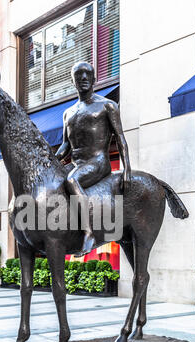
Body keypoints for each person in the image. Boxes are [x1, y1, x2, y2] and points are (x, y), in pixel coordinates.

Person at [56, 61, 131, 256]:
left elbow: (120, 138)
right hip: (76, 164)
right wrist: (52, 160)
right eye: (78, 75)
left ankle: (89, 234)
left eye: (87, 74)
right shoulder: (68, 113)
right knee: (53, 183)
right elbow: (65, 146)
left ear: (94, 79)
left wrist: (127, 169)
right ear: (73, 81)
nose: (83, 78)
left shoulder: (107, 105)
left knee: (72, 180)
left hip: (97, 162)